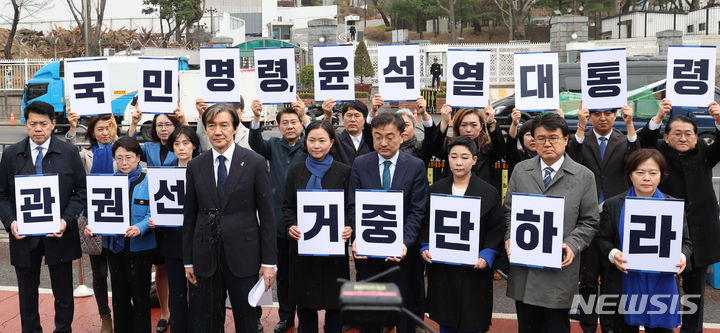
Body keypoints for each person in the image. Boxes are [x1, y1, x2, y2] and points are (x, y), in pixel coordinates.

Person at [183, 103, 277, 333]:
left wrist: (268, 262)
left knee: (247, 321)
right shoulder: (196, 165)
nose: (217, 131)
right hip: (206, 257)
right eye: (211, 126)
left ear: (235, 128)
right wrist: (189, 260)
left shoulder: (254, 162)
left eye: (224, 125)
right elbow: (190, 216)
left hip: (244, 257)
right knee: (209, 321)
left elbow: (266, 215)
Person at [503, 113, 599, 333]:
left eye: (553, 138)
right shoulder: (521, 170)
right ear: (533, 141)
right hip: (524, 268)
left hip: (559, 269)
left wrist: (572, 244)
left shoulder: (583, 176)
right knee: (527, 327)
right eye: (541, 138)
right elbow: (509, 211)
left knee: (556, 326)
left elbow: (590, 221)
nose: (547, 143)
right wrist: (510, 237)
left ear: (566, 140)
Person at [0, 100, 86, 333]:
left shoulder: (68, 152)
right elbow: (2, 195)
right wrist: (11, 222)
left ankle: (63, 330)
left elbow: (81, 191)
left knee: (63, 293)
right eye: (33, 123)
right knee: (27, 293)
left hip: (59, 233)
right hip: (24, 235)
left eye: (44, 124)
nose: (38, 128)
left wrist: (66, 219)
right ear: (25, 124)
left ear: (53, 124)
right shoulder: (11, 155)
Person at [638, 99, 720, 333]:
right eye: (677, 133)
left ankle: (692, 330)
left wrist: (718, 120)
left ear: (696, 137)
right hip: (665, 232)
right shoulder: (659, 153)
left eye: (688, 134)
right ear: (667, 136)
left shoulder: (704, 152)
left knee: (695, 292)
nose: (683, 138)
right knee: (663, 289)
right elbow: (642, 144)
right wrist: (658, 118)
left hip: (700, 233)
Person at [348, 112, 429, 333]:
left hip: (404, 254)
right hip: (370, 252)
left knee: (405, 309)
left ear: (402, 137)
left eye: (390, 136)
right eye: (377, 136)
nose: (383, 142)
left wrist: (404, 242)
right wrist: (358, 237)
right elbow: (354, 205)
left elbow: (417, 210)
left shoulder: (415, 166)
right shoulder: (360, 164)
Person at [597, 148, 692, 333]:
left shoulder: (673, 206)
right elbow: (602, 239)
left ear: (661, 176)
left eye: (653, 173)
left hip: (662, 283)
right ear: (630, 175)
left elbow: (686, 243)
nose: (646, 178)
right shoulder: (614, 205)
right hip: (625, 283)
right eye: (640, 172)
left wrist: (682, 256)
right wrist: (613, 254)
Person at [420, 136, 506, 333]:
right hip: (444, 269)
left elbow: (496, 228)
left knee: (473, 320)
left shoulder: (488, 192)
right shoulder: (436, 190)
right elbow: (425, 224)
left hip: (474, 269)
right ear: (447, 158)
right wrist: (425, 246)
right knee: (446, 320)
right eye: (454, 156)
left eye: (465, 157)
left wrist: (487, 254)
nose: (459, 162)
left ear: (474, 160)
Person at [567, 103, 639, 333]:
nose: (603, 118)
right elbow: (571, 158)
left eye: (608, 113)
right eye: (597, 113)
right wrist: (580, 125)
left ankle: (609, 326)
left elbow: (637, 159)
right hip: (586, 215)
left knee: (612, 277)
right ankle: (588, 326)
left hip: (614, 216)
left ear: (615, 114)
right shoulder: (581, 137)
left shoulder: (623, 139)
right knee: (587, 277)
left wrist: (630, 125)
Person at [283, 120, 352, 333]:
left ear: (332, 143)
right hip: (303, 248)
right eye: (312, 140)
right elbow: (287, 206)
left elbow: (351, 207)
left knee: (335, 304)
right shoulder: (296, 171)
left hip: (334, 250)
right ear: (306, 142)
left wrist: (350, 227)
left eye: (322, 140)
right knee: (305, 305)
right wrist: (291, 225)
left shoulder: (344, 171)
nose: (316, 145)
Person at [249, 97, 310, 333]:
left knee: (303, 274)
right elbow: (255, 142)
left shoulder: (308, 144)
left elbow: (317, 134)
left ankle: (306, 316)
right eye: (284, 123)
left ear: (300, 124)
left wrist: (305, 115)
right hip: (278, 220)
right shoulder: (273, 144)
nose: (290, 126)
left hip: (305, 220)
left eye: (294, 122)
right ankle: (286, 317)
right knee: (283, 274)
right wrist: (255, 117)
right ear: (278, 126)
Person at [84, 136, 156, 333]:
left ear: (138, 157)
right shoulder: (109, 182)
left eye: (129, 158)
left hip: (140, 249)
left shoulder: (149, 181)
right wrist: (91, 226)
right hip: (115, 248)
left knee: (140, 298)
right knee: (119, 297)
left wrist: (141, 226)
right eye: (119, 158)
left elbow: (154, 212)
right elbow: (97, 212)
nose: (124, 163)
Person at [128, 107, 187, 332]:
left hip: (177, 214)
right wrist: (134, 122)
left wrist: (182, 120)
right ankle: (165, 313)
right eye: (159, 125)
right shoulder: (150, 148)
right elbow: (128, 145)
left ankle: (184, 308)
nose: (163, 129)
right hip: (153, 214)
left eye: (168, 125)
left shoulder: (181, 146)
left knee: (185, 266)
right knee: (161, 267)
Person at [66, 111, 118, 333]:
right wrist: (71, 129)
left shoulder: (121, 152)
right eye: (100, 129)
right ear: (93, 133)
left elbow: (132, 149)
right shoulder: (86, 156)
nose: (105, 133)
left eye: (108, 128)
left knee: (121, 272)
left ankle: (124, 312)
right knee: (99, 273)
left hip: (119, 219)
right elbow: (68, 153)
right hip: (93, 220)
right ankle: (105, 316)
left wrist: (123, 131)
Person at [150, 126, 202, 333]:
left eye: (186, 143)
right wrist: (155, 220)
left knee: (198, 292)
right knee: (177, 292)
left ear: (194, 146)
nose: (181, 148)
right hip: (172, 241)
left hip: (199, 241)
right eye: (177, 144)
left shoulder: (204, 172)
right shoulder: (165, 174)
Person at [425, 103, 506, 190]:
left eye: (474, 125)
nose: (468, 130)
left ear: (481, 126)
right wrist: (444, 122)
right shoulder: (450, 145)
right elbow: (434, 149)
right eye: (463, 125)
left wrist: (491, 123)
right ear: (457, 126)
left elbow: (500, 151)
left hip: (481, 195)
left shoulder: (487, 147)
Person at [322, 98, 375, 166]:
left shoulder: (372, 140)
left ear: (364, 119)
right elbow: (324, 135)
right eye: (349, 115)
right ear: (343, 119)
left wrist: (373, 111)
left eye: (357, 116)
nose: (352, 120)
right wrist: (328, 115)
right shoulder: (336, 141)